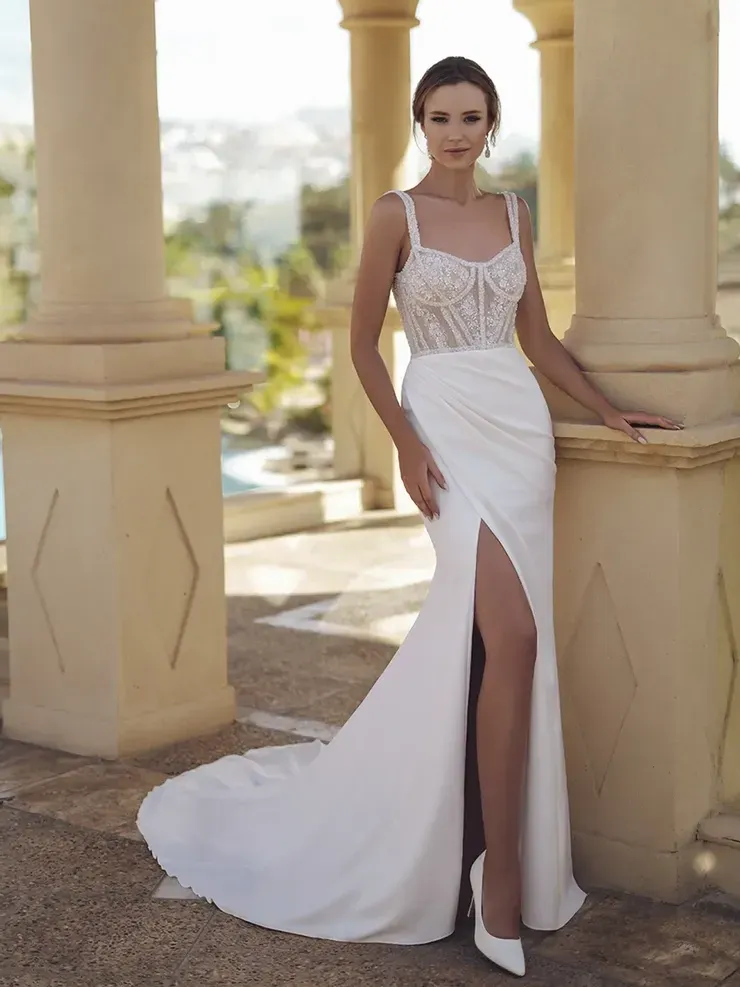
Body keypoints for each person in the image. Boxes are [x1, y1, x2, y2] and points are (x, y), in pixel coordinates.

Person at [138, 56, 680, 978]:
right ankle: (497, 882)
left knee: (504, 641)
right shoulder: (398, 214)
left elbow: (537, 337)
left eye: (471, 115)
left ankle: (486, 856)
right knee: (509, 634)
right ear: (420, 123)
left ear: (491, 123)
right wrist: (402, 440)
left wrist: (603, 409)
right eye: (440, 116)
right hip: (444, 426)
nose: (456, 131)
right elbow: (360, 343)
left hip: (517, 431)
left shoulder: (513, 213)